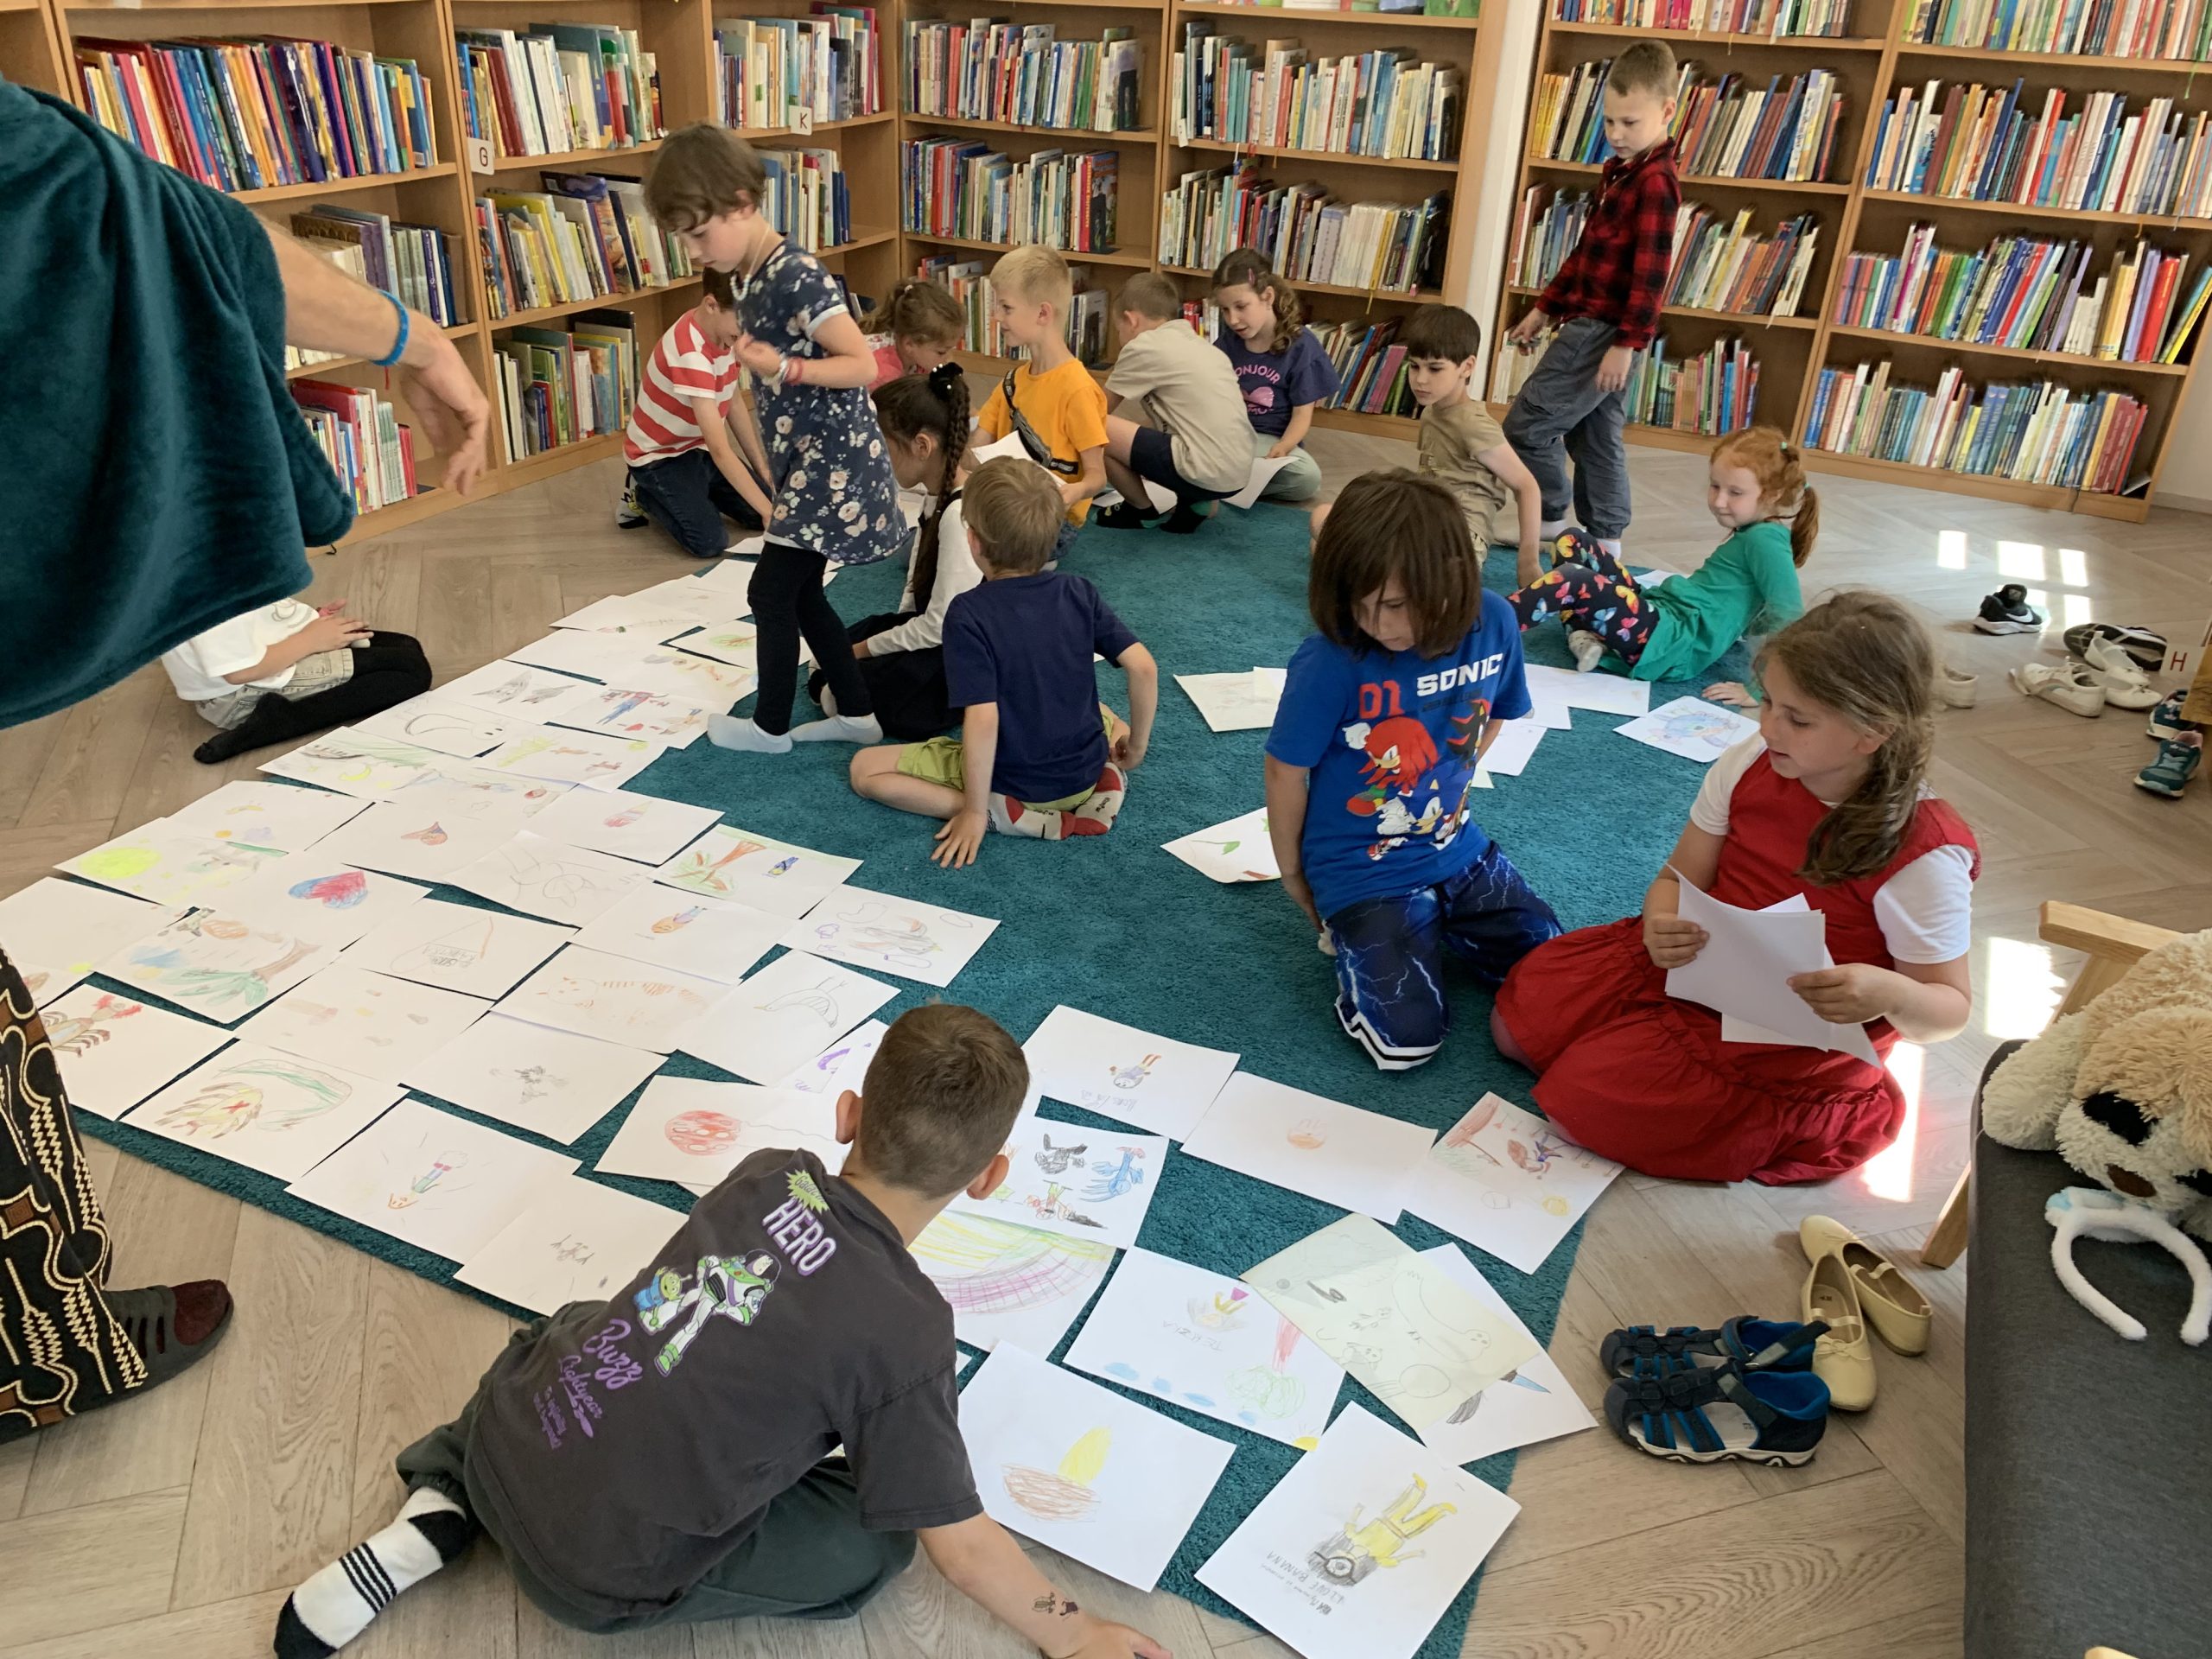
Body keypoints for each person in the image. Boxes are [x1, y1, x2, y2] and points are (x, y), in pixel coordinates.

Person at [271, 1004, 1173, 1659]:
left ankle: (442, 1495)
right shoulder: (908, 1330)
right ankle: (477, 1505)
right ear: (989, 1177)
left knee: (587, 1325)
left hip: (506, 1431)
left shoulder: (769, 1171)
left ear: (848, 1115)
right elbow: (961, 1546)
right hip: (591, 1578)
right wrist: (1075, 1634)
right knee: (879, 1540)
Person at [0, 75, 487, 728]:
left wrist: (416, 342)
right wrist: (418, 344)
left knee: (395, 652)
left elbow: (175, 224)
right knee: (402, 671)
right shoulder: (203, 536)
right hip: (234, 679)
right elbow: (181, 226)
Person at [1493, 592, 1979, 1185]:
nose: (1769, 725)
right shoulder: (1754, 758)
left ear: (1872, 732)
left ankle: (1809, 1107)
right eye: (1768, 701)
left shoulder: (1924, 854)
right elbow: (1676, 879)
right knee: (1519, 1027)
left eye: (1798, 719)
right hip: (1704, 964)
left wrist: (1887, 993)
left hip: (1791, 1033)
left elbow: (1947, 1013)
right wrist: (1660, 921)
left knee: (1581, 1105)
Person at [1263, 469, 1562, 1071]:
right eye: (1361, 604)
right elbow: (1284, 771)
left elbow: (1495, 716)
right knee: (1406, 1044)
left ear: (1448, 578)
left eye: (1396, 605)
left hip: (1456, 844)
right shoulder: (1330, 660)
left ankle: (1431, 918)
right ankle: (1384, 939)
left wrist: (1449, 784)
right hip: (1359, 868)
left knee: (1558, 973)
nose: (1379, 625)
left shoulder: (1495, 620)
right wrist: (1295, 873)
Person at [641, 125, 906, 755]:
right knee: (801, 592)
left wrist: (786, 367)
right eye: (683, 238)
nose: (693, 252)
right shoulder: (748, 275)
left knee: (770, 591)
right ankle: (858, 713)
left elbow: (861, 365)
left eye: (698, 234)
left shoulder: (796, 276)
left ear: (740, 203)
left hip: (831, 464)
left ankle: (770, 727)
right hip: (806, 460)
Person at [849, 459, 1158, 863]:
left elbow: (982, 719)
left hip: (1015, 781)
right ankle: (1105, 781)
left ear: (973, 540)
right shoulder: (1079, 590)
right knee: (1106, 713)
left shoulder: (968, 613)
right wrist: (1136, 748)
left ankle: (1002, 815)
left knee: (865, 769)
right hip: (1082, 772)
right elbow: (1143, 668)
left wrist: (975, 812)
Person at [1500, 39, 1680, 560]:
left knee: (1526, 425)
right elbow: (1586, 254)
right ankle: (1605, 542)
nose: (1616, 134)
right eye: (1609, 122)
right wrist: (1544, 308)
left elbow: (1651, 278)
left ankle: (1551, 515)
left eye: (1630, 122)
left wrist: (1625, 345)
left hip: (1604, 331)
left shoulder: (1656, 183)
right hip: (1589, 321)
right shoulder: (1621, 173)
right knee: (1595, 436)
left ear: (1667, 111)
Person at [1510, 425, 1811, 683]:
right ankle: (1583, 636)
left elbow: (1788, 612)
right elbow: (1753, 603)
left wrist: (1760, 688)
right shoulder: (1757, 531)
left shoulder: (1766, 540)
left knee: (1574, 581)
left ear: (1772, 495)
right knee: (1572, 541)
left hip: (1669, 642)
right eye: (1715, 486)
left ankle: (1489, 629)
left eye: (1735, 493)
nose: (1719, 501)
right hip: (1662, 615)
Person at [808, 365, 983, 740]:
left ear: (922, 446)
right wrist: (887, 638)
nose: (875, 458)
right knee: (828, 654)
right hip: (935, 629)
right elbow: (915, 593)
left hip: (960, 651)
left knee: (844, 689)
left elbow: (941, 625)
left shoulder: (959, 515)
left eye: (882, 447)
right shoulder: (935, 497)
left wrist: (867, 651)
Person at [1371, 302, 1541, 585]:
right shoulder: (1431, 412)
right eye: (1414, 366)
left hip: (1460, 536)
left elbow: (1526, 486)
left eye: (1435, 369)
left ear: (1467, 367)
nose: (1420, 380)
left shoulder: (1474, 425)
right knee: (1324, 521)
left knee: (1417, 584)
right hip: (1423, 522)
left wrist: (1528, 561)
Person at [613, 264, 772, 556]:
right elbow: (721, 450)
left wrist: (763, 472)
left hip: (698, 448)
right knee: (708, 542)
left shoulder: (728, 335)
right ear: (711, 305)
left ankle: (695, 492)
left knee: (762, 509)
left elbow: (733, 400)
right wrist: (768, 513)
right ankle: (641, 491)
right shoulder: (690, 354)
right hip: (660, 458)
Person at [163, 595, 433, 765]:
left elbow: (254, 619)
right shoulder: (210, 594)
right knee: (411, 671)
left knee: (406, 646)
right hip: (241, 694)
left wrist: (304, 623)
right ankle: (278, 721)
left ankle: (292, 705)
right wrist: (311, 640)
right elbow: (240, 672)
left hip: (264, 659)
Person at [972, 245, 1109, 554]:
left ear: (1043, 313)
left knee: (974, 546)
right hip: (1007, 504)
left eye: (1006, 308)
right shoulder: (1012, 383)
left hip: (1052, 520)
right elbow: (976, 448)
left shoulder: (1077, 390)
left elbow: (1097, 477)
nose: (996, 317)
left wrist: (1074, 492)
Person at [1095, 272, 1253, 532]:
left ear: (1131, 320)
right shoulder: (1202, 346)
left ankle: (1139, 510)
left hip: (1204, 469)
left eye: (1118, 330)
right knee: (1167, 429)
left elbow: (1096, 412)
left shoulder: (1143, 346)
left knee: (1098, 428)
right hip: (1238, 473)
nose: (1120, 336)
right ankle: (1195, 504)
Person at [1211, 250, 1335, 504]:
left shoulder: (1301, 346)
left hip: (1272, 443)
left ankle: (1221, 485)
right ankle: (1226, 482)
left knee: (1307, 479)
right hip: (1230, 438)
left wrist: (1285, 447)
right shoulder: (1227, 343)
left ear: (1267, 297)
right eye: (1225, 310)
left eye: (1241, 307)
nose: (1232, 319)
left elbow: (1302, 415)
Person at [861, 278, 966, 389]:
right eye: (941, 352)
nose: (948, 357)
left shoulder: (914, 353)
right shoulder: (881, 374)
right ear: (909, 344)